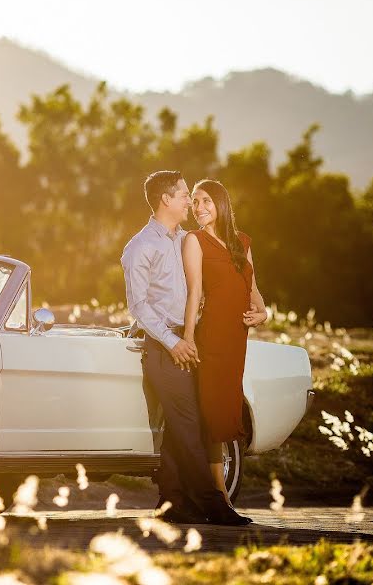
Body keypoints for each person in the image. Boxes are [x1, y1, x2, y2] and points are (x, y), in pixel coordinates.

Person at [121, 170, 251, 526]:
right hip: (166, 348)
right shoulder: (141, 246)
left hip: (191, 341)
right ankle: (213, 504)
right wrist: (174, 341)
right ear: (166, 199)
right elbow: (139, 307)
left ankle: (173, 502)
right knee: (190, 424)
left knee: (179, 427)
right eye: (183, 196)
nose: (189, 203)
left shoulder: (181, 239)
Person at [181, 179, 268, 505]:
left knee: (227, 412)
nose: (198, 208)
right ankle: (219, 496)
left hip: (236, 341)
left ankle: (218, 494)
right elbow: (194, 293)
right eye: (194, 202)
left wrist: (264, 314)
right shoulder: (195, 240)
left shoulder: (243, 242)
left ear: (220, 203)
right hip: (212, 339)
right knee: (213, 414)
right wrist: (189, 339)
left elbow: (253, 291)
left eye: (205, 201)